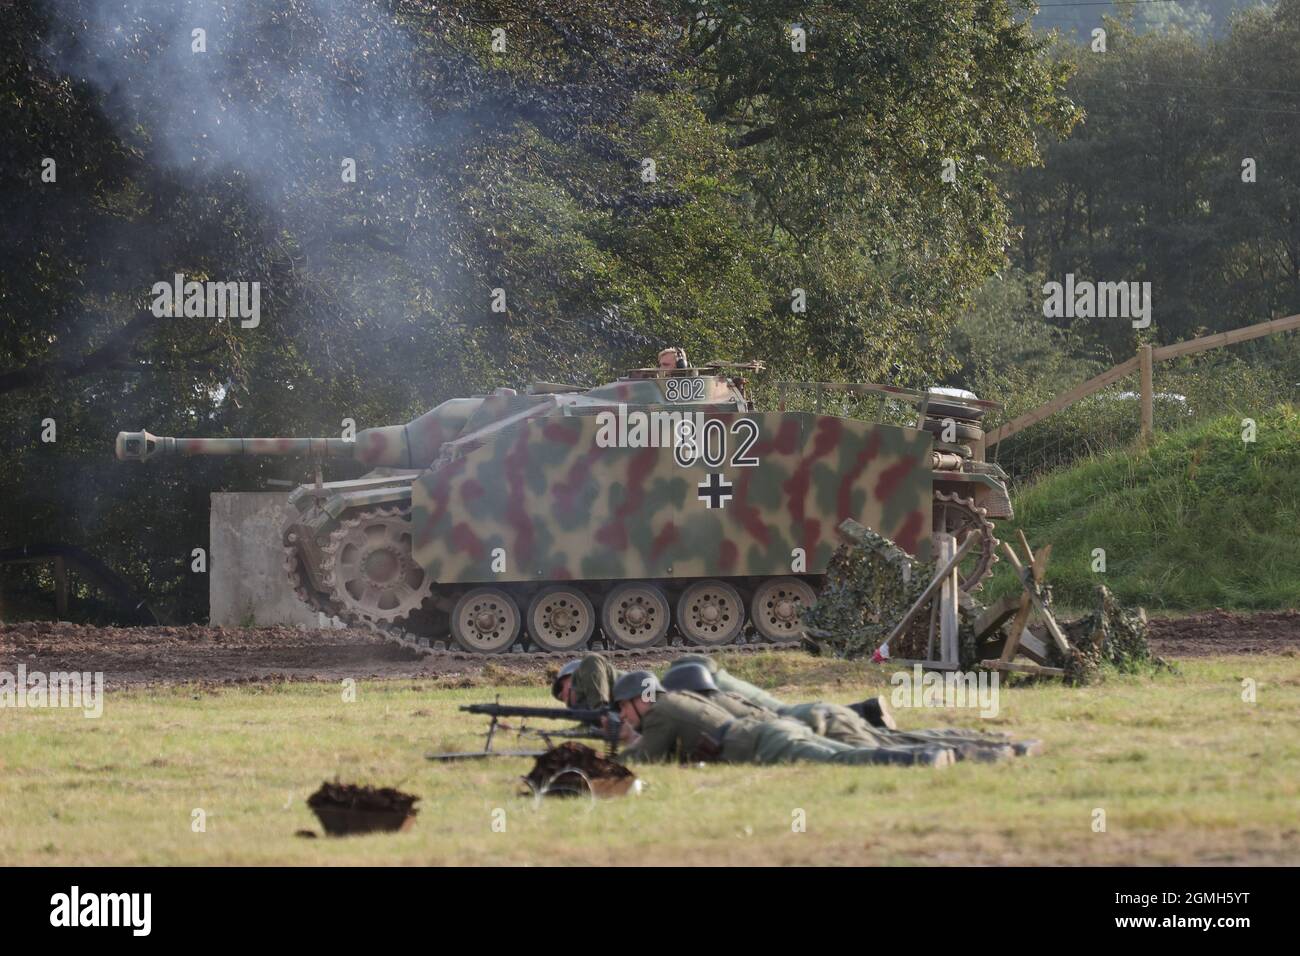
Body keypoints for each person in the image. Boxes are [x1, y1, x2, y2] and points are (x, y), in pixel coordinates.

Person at [665, 654, 1034, 761]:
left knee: (885, 748)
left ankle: (979, 751)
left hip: (811, 723)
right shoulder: (732, 692)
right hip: (819, 708)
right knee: (901, 736)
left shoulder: (709, 709)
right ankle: (993, 741)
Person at [613, 670, 954, 767]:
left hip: (765, 742)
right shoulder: (676, 700)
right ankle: (930, 751)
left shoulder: (658, 714)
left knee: (841, 758)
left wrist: (621, 745)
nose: (624, 717)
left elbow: (645, 758)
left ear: (640, 700)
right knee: (842, 752)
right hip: (771, 729)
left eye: (624, 708)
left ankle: (921, 758)